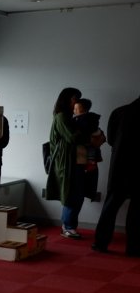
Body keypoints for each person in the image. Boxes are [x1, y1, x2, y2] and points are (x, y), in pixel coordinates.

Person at [93, 95, 140, 255]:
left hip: (119, 166)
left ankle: (100, 243)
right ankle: (133, 247)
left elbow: (112, 140)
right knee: (136, 210)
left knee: (111, 205)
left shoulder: (119, 112)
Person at [45, 87, 91, 239]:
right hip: (67, 162)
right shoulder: (62, 116)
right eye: (74, 99)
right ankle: (68, 226)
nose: (76, 102)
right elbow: (72, 138)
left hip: (73, 160)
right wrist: (85, 130)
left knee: (75, 194)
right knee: (72, 194)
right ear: (67, 99)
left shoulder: (67, 117)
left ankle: (69, 225)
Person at [72, 98, 105, 201]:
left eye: (77, 108)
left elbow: (88, 135)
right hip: (90, 142)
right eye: (74, 108)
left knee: (91, 151)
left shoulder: (85, 118)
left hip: (91, 139)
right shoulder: (81, 118)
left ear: (84, 109)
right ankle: (91, 162)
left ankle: (91, 162)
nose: (75, 110)